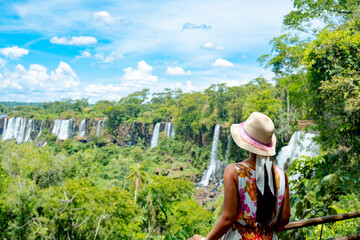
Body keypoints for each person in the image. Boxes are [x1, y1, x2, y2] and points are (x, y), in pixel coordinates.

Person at [189, 112, 290, 240]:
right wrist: (264, 234)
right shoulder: (281, 175)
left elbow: (228, 218)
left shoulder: (234, 172)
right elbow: (285, 218)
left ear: (247, 142)